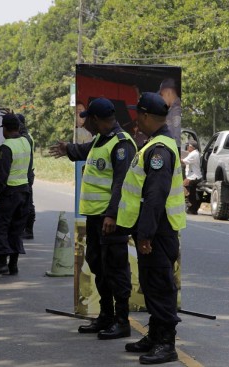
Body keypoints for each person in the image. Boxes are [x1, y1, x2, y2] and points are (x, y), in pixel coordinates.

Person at [49, 97, 137, 340]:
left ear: (97, 119)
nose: (85, 121)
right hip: (96, 219)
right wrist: (67, 149)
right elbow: (83, 151)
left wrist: (112, 214)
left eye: (88, 118)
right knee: (98, 266)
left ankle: (121, 321)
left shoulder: (122, 145)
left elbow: (122, 183)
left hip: (111, 220)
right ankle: (106, 316)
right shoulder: (101, 139)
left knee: (116, 270)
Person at [117, 92, 186, 364]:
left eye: (138, 114)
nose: (136, 119)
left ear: (145, 116)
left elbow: (155, 196)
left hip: (158, 231)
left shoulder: (159, 150)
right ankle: (155, 335)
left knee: (159, 287)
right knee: (151, 284)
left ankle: (166, 344)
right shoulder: (154, 145)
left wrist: (145, 234)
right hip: (155, 229)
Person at [0, 112, 32, 278]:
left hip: (8, 193)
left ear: (4, 129)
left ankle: (1, 264)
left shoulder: (7, 147)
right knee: (16, 229)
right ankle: (13, 265)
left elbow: (2, 175)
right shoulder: (26, 142)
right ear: (18, 127)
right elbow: (24, 131)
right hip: (24, 193)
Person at [16, 112, 36, 240]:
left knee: (28, 204)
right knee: (23, 203)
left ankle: (28, 230)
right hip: (24, 175)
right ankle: (23, 229)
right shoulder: (22, 137)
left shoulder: (26, 138)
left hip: (26, 175)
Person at [158, 79, 182, 151]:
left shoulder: (176, 110)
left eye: (162, 95)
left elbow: (177, 137)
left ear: (168, 92)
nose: (161, 98)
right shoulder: (171, 110)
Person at [181, 139, 202, 214]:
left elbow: (184, 161)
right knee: (192, 193)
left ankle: (188, 202)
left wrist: (175, 158)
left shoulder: (194, 154)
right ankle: (192, 209)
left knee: (184, 185)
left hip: (194, 176)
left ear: (192, 147)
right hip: (193, 176)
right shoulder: (193, 153)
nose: (187, 147)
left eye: (188, 146)